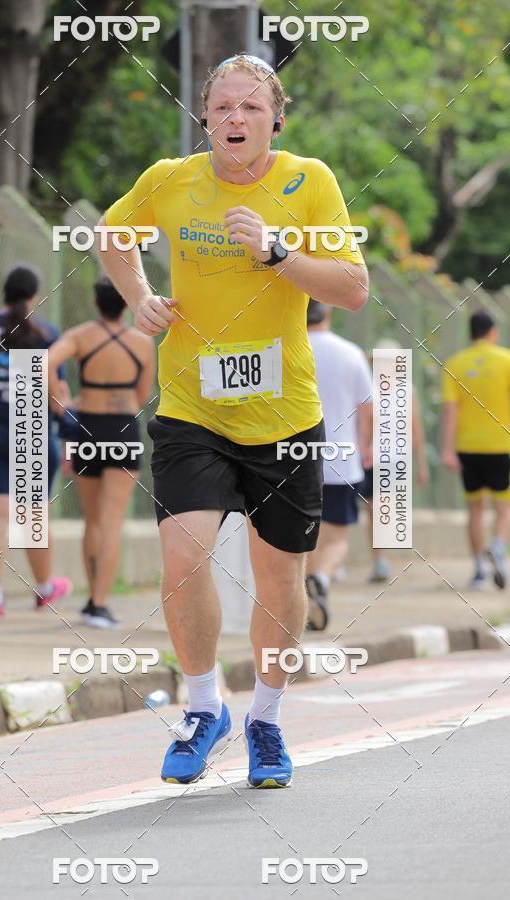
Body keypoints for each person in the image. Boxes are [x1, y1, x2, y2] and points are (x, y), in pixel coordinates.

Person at [97, 53, 367, 788]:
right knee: (183, 558)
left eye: (251, 106)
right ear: (205, 118)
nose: (235, 118)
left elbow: (352, 287)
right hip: (192, 410)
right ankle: (203, 708)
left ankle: (266, 720)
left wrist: (278, 252)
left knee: (280, 579)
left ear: (276, 120)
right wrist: (140, 297)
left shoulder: (309, 181)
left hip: (284, 417)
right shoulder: (170, 181)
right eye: (221, 107)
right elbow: (112, 236)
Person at [0, 264, 72, 620]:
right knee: (32, 514)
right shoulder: (45, 332)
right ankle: (45, 588)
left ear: (4, 292)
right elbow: (56, 394)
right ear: (34, 295)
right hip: (31, 431)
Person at [47, 276, 155, 628]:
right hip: (123, 429)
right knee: (112, 521)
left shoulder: (81, 335)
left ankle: (92, 598)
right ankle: (101, 603)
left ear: (96, 303)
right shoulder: (143, 342)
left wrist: (61, 403)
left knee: (92, 520)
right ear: (125, 302)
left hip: (87, 428)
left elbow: (43, 363)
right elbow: (142, 395)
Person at [305, 300, 373, 629]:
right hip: (343, 460)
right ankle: (322, 578)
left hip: (295, 459)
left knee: (302, 537)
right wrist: (366, 446)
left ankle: (308, 601)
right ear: (328, 313)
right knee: (337, 538)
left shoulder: (286, 347)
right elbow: (367, 408)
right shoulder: (351, 353)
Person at [442, 310, 510, 590]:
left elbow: (450, 410)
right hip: (501, 444)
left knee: (475, 507)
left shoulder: (455, 364)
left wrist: (448, 449)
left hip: (467, 446)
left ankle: (479, 570)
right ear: (492, 331)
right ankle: (498, 546)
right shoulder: (506, 360)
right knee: (503, 506)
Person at [361, 338, 429, 582]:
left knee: (383, 507)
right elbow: (363, 424)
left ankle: (381, 559)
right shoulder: (368, 388)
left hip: (396, 458)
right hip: (371, 457)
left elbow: (415, 428)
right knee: (372, 509)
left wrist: (422, 464)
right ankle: (378, 560)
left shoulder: (408, 390)